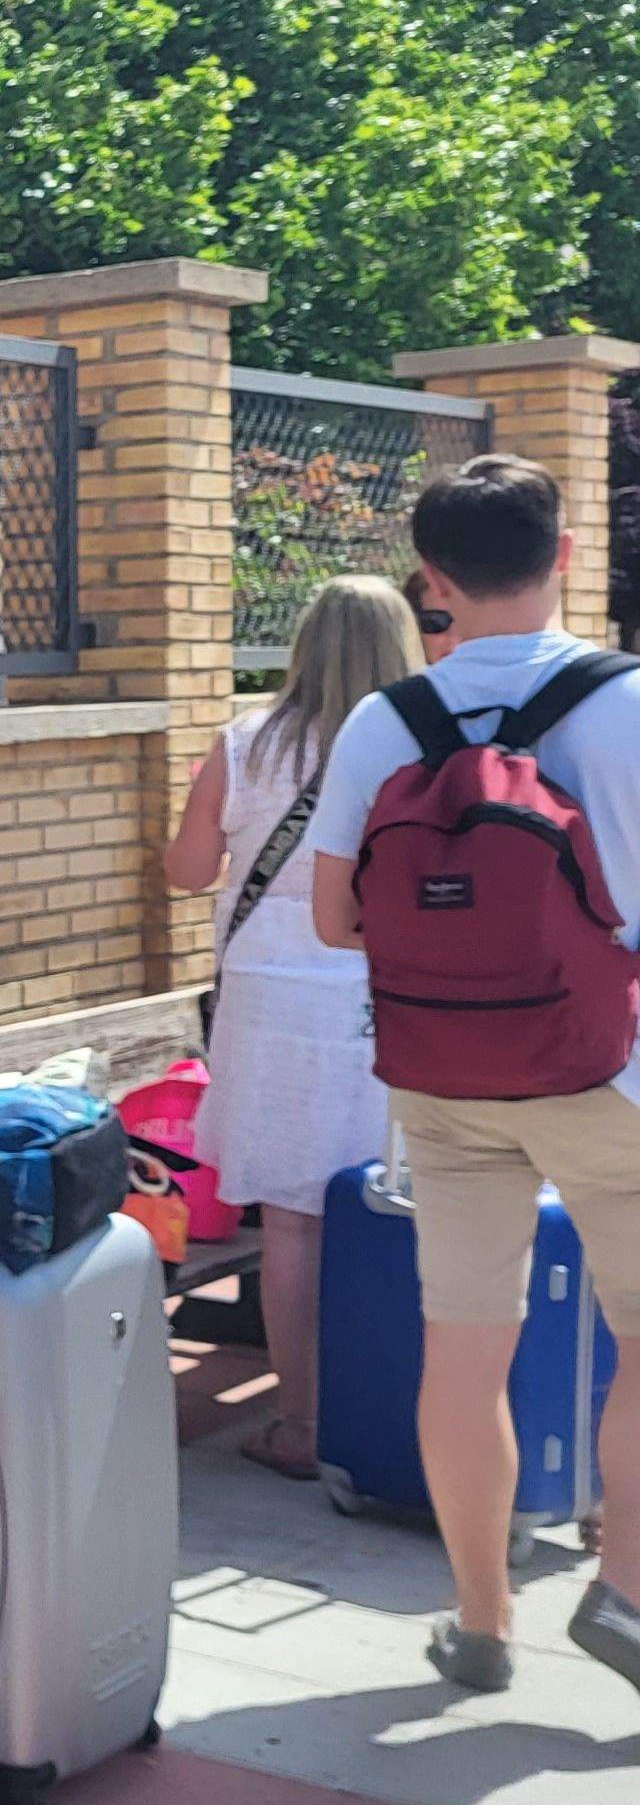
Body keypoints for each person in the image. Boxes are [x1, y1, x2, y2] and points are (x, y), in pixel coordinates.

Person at [305, 453, 640, 1699]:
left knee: (463, 1349)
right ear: (565, 556)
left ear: (430, 579)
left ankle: (480, 1621)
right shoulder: (629, 705)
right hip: (613, 1078)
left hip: (443, 1082)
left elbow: (335, 919)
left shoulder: (383, 722)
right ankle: (624, 1596)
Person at [163, 574, 425, 1480]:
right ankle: (399, 1408)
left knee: (294, 1223)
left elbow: (187, 871)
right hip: (390, 999)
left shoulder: (244, 744)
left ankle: (302, 1425)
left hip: (271, 1005)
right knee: (397, 1207)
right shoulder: (420, 750)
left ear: (304, 644)